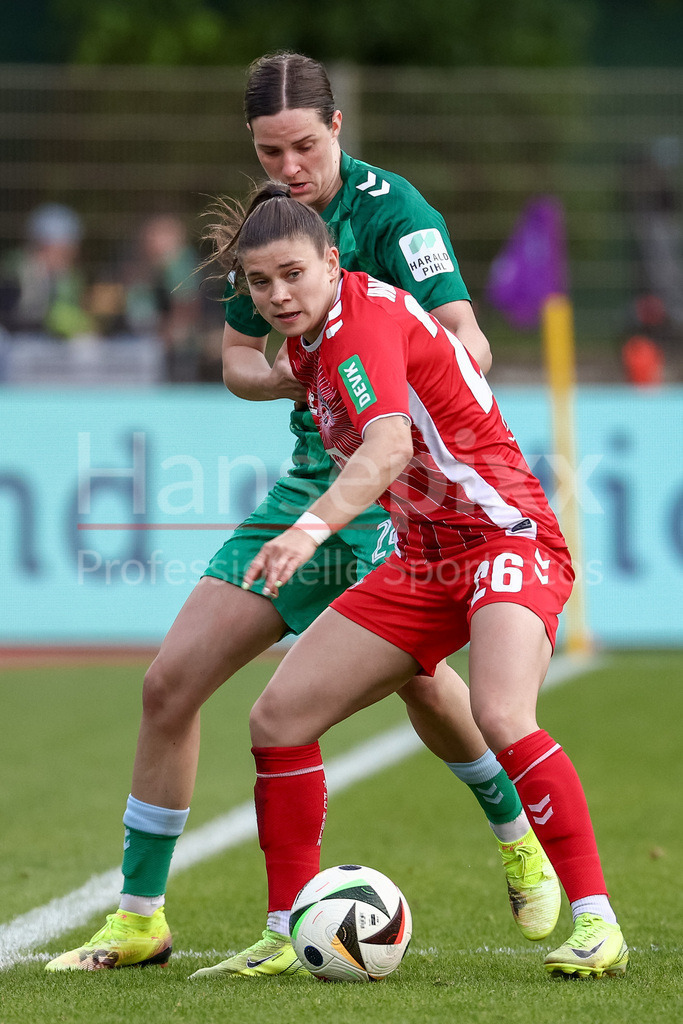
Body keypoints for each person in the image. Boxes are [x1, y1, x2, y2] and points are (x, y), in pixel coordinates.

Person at [46, 53, 559, 975]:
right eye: (267, 151)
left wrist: (389, 384)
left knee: (419, 681)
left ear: (336, 129)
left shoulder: (393, 213)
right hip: (309, 484)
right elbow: (237, 362)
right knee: (169, 686)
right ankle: (139, 917)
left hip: (398, 488)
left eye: (302, 147)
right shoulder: (270, 235)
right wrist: (294, 371)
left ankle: (515, 834)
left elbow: (466, 337)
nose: (287, 168)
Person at [192, 183, 628, 980]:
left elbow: (388, 447)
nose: (278, 295)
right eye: (260, 283)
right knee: (278, 718)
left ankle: (597, 920)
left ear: (331, 262)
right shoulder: (312, 341)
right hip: (423, 557)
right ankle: (285, 931)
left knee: (500, 712)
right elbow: (267, 374)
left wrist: (307, 530)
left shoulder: (354, 326)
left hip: (503, 534)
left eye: (292, 274)